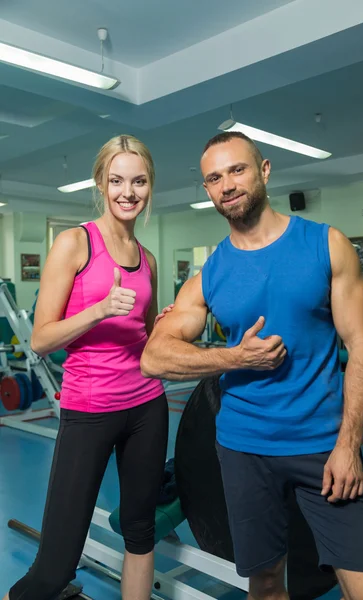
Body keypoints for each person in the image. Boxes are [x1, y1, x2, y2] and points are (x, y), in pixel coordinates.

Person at [140, 131, 363, 600]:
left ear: (263, 170)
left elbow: (362, 344)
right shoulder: (211, 273)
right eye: (214, 178)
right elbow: (154, 355)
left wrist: (349, 445)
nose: (227, 185)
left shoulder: (326, 245)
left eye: (236, 170)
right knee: (263, 582)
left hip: (324, 446)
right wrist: (236, 357)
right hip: (243, 450)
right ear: (207, 190)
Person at [4, 135, 169, 600]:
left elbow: (148, 336)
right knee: (56, 566)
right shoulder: (74, 243)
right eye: (117, 180)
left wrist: (174, 326)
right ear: (100, 183)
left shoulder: (149, 261)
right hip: (90, 410)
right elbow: (40, 338)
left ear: (150, 186)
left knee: (140, 533)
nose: (127, 192)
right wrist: (98, 310)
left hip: (147, 408)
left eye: (138, 181)